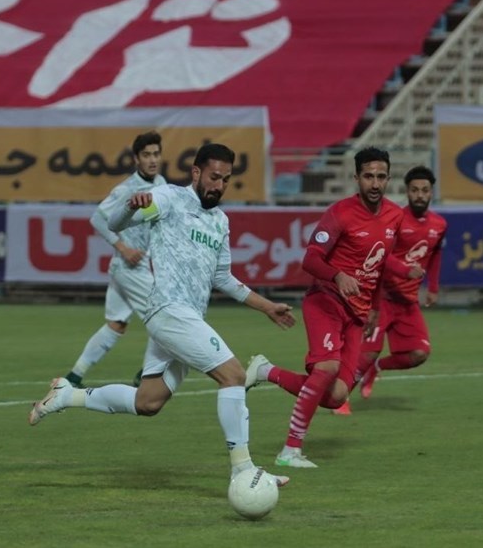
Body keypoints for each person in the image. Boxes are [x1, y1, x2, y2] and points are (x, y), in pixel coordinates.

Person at [29, 143, 296, 486]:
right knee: (233, 376)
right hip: (169, 311)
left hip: (186, 320)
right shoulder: (169, 198)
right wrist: (130, 207)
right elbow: (115, 222)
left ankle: (67, 395)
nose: (219, 185)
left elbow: (223, 278)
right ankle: (243, 470)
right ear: (196, 173)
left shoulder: (220, 221)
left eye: (226, 179)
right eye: (214, 177)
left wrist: (267, 307)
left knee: (148, 402)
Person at [244, 147, 420, 468]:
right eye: (368, 176)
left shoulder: (395, 216)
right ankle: (290, 451)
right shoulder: (340, 213)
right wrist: (338, 275)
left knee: (337, 395)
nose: (375, 183)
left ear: (388, 179)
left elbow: (379, 265)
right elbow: (310, 259)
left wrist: (375, 307)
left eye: (381, 177)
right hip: (325, 301)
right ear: (356, 178)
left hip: (357, 314)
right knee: (325, 368)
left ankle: (267, 371)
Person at [63, 131, 165, 388]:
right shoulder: (126, 189)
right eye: (146, 155)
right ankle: (146, 376)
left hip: (131, 267)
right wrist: (123, 247)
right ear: (136, 159)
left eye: (156, 154)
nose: (152, 160)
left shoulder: (161, 183)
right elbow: (98, 218)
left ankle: (74, 376)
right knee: (163, 318)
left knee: (116, 325)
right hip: (131, 267)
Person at [355, 165, 447, 398]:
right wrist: (405, 270)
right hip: (382, 298)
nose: (419, 195)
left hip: (407, 302)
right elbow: (382, 255)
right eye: (414, 190)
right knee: (367, 353)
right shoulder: (395, 219)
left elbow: (435, 253)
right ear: (407, 191)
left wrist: (433, 287)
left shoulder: (439, 225)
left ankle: (377, 368)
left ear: (431, 192)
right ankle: (340, 398)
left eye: (424, 190)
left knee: (419, 354)